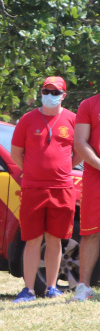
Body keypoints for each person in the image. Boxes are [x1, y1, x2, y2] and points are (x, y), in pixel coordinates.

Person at [10, 77, 78, 302]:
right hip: (33, 188)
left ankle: (51, 287)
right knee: (32, 239)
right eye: (46, 91)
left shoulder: (72, 120)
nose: (50, 95)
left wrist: (62, 168)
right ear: (41, 92)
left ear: (63, 94)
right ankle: (28, 289)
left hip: (62, 188)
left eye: (55, 91)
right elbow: (16, 154)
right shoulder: (27, 120)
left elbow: (78, 152)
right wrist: (32, 171)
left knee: (56, 238)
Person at [73, 90, 100, 301]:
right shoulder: (88, 105)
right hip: (95, 175)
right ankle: (83, 287)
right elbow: (80, 142)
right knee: (91, 232)